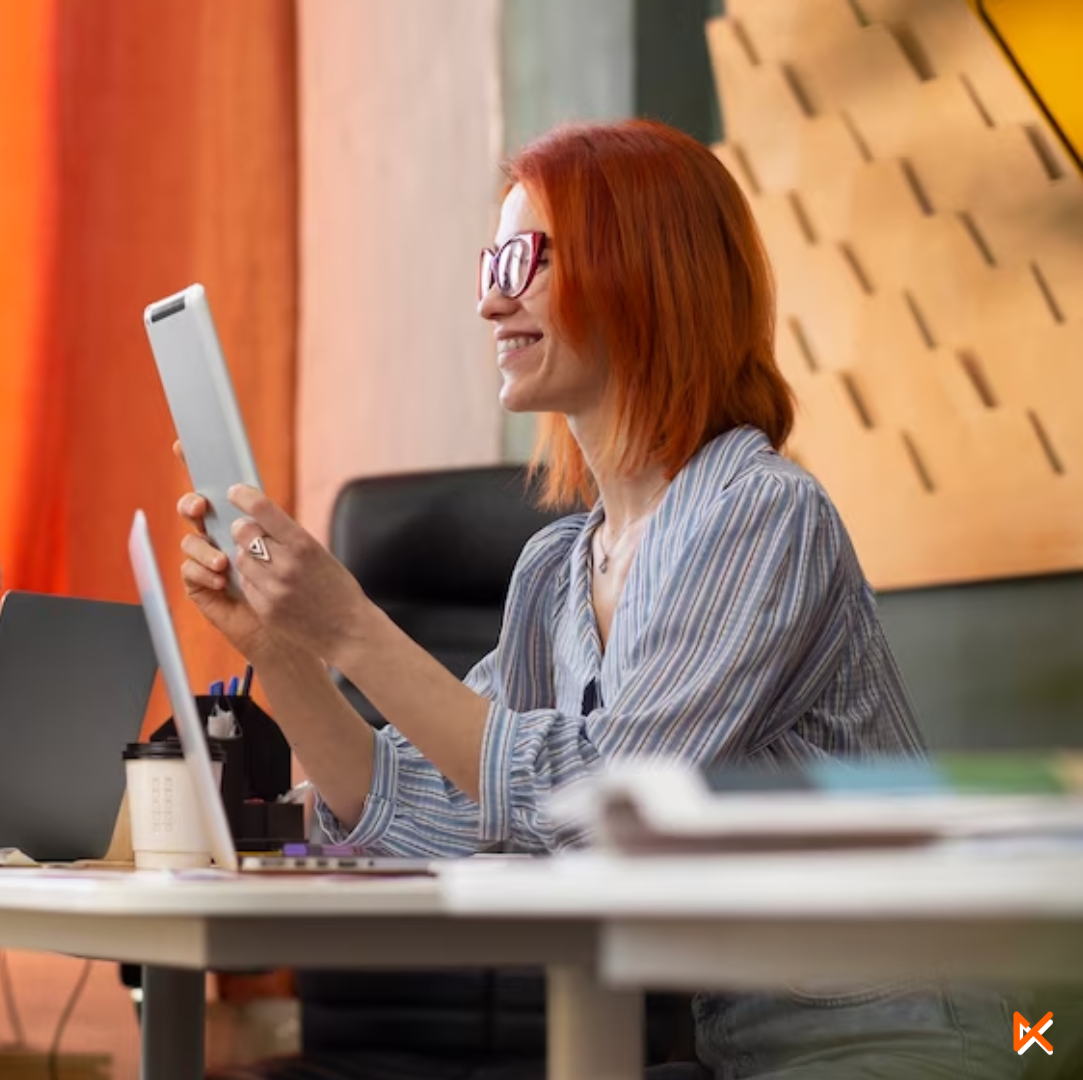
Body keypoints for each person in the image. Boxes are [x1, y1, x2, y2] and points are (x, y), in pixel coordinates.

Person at [177, 120, 1017, 1079]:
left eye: (528, 258)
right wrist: (285, 652)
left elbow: (608, 804)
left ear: (646, 274)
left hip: (901, 1043)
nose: (490, 298)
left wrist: (353, 627)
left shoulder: (762, 513)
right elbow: (430, 805)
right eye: (493, 259)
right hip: (740, 1052)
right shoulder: (555, 571)